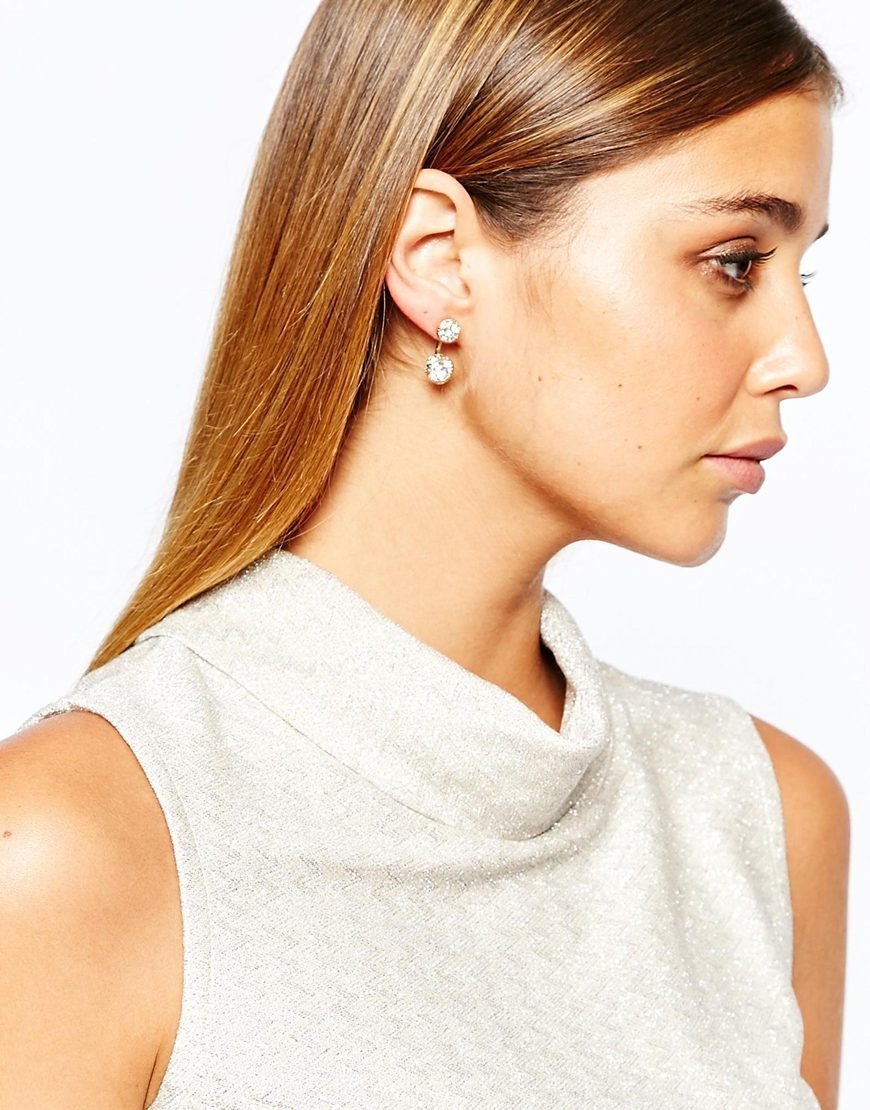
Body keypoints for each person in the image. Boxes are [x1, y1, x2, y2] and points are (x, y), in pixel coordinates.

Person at [2, 0, 851, 1106]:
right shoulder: (73, 849)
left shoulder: (766, 821)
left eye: (801, 274)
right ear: (440, 259)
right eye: (734, 263)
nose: (804, 359)